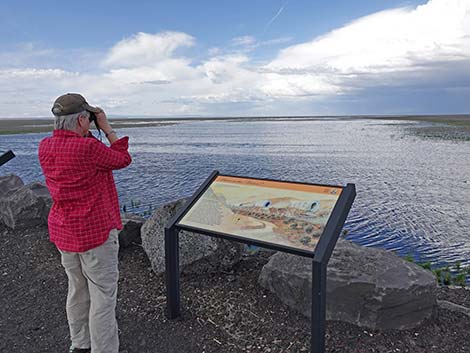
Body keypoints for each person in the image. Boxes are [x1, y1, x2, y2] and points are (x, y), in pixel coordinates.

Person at [38, 93, 132, 353]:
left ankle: (80, 345)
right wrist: (107, 127)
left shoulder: (45, 146)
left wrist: (88, 128)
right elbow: (123, 158)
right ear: (82, 119)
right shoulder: (89, 149)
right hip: (95, 234)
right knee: (102, 296)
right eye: (87, 119)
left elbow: (80, 150)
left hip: (65, 233)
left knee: (77, 289)